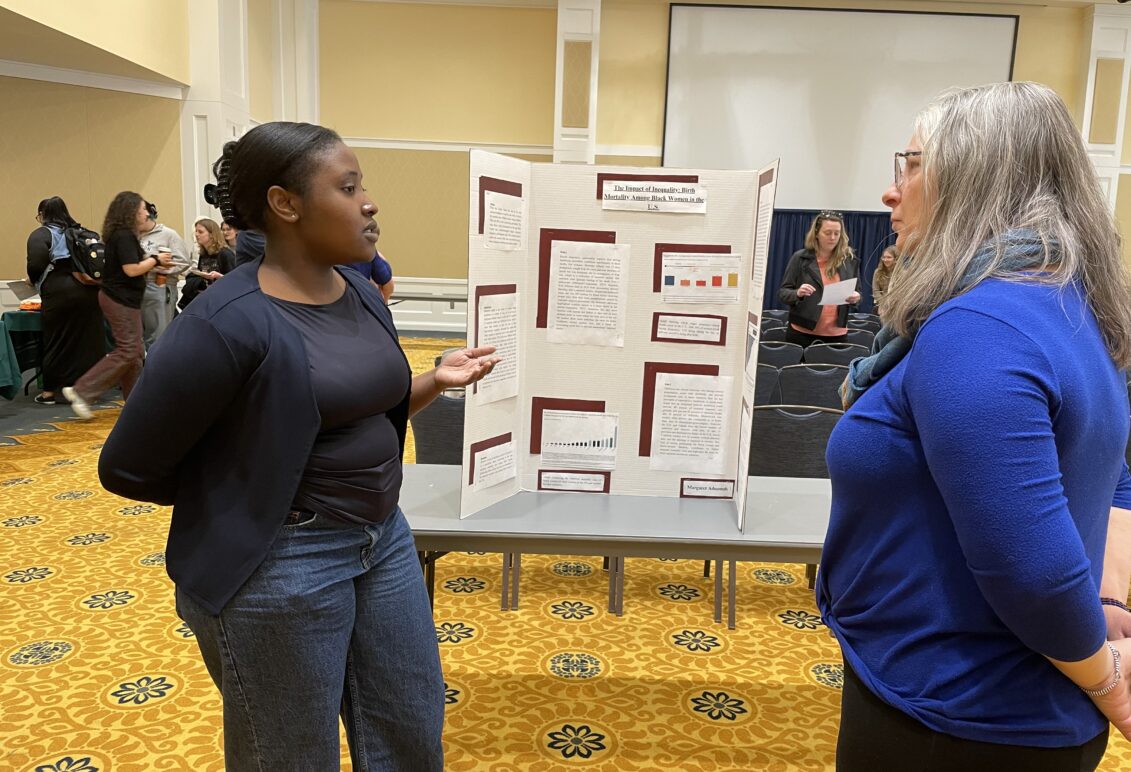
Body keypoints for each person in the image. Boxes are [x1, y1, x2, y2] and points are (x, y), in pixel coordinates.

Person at [97, 121, 499, 771]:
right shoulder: (226, 321)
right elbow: (128, 466)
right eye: (347, 187)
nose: (368, 202)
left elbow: (355, 409)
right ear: (285, 204)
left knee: (407, 731)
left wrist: (433, 380)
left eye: (362, 185)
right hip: (284, 560)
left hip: (382, 537)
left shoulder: (363, 294)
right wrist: (250, 495)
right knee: (289, 756)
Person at [823, 82, 1131, 770]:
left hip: (954, 719)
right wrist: (1107, 604)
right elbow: (1117, 475)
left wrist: (1109, 682)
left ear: (973, 177)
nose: (888, 191)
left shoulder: (977, 328)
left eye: (908, 163)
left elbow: (1033, 570)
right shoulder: (1067, 303)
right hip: (1010, 709)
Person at [63, 192, 174, 418]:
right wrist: (155, 260)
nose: (146, 213)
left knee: (134, 354)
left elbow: (131, 267)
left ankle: (134, 401)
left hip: (123, 299)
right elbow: (131, 270)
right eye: (143, 209)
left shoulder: (122, 236)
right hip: (119, 300)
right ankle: (82, 390)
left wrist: (153, 264)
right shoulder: (123, 236)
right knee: (129, 350)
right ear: (131, 212)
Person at [24, 197, 105, 405]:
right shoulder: (80, 232)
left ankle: (50, 392)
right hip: (88, 290)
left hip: (59, 291)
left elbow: (36, 262)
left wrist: (31, 280)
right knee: (89, 340)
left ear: (43, 215)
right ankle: (88, 390)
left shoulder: (42, 234)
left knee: (56, 340)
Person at [777, 211, 861, 346]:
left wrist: (856, 297)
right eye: (828, 233)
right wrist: (797, 293)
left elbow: (857, 292)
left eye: (837, 233)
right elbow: (783, 293)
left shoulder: (849, 260)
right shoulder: (800, 258)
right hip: (802, 332)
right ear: (816, 233)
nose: (833, 237)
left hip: (837, 334)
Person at [137, 202, 191, 349]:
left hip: (159, 287)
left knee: (157, 338)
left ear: (147, 214)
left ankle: (157, 370)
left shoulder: (168, 235)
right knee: (137, 339)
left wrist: (155, 266)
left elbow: (184, 261)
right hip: (136, 288)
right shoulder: (132, 235)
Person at [178, 217, 234, 310]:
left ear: (211, 234)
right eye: (196, 231)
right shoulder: (204, 254)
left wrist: (218, 276)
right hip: (206, 298)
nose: (196, 234)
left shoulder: (225, 254)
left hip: (222, 302)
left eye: (200, 232)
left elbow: (234, 281)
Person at [870, 245, 897, 316]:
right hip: (881, 306)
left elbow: (901, 292)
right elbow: (875, 291)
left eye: (889, 257)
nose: (885, 260)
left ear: (895, 259)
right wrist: (883, 304)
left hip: (895, 307)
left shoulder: (902, 273)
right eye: (884, 257)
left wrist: (890, 304)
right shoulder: (877, 272)